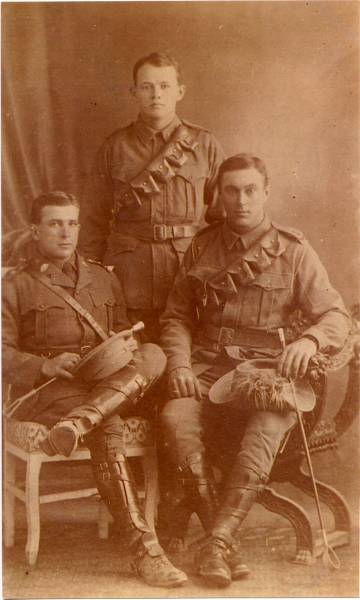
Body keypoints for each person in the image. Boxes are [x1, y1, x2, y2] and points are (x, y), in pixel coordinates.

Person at [159, 154, 350, 587]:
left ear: (266, 192)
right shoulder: (202, 246)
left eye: (250, 190)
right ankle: (219, 539)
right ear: (219, 195)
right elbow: (176, 317)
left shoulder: (295, 250)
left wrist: (309, 340)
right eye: (231, 190)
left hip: (267, 373)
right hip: (207, 367)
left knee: (266, 425)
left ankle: (217, 542)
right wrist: (181, 363)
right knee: (175, 417)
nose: (241, 200)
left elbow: (336, 316)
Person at [2, 191, 187, 588]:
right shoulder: (14, 285)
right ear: (35, 229)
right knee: (109, 424)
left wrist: (124, 349)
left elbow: (121, 333)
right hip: (50, 390)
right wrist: (44, 364)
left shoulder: (103, 277)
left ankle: (84, 419)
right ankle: (143, 549)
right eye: (54, 223)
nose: (65, 232)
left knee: (154, 352)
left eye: (71, 223)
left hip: (104, 384)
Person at [79, 51, 225, 342]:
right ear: (134, 92)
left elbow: (223, 219)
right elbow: (92, 221)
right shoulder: (114, 147)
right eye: (146, 86)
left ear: (180, 92)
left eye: (164, 86)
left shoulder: (205, 145)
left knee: (185, 363)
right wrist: (92, 285)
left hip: (185, 273)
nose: (156, 94)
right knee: (133, 364)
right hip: (127, 277)